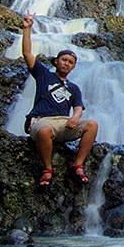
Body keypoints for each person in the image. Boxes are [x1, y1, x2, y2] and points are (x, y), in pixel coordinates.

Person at [21, 13, 99, 188]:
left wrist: (76, 117)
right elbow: (27, 53)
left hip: (64, 123)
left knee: (92, 125)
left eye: (71, 62)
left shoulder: (74, 88)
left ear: (73, 67)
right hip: (42, 121)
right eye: (64, 60)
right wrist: (27, 29)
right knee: (44, 131)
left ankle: (77, 164)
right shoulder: (44, 76)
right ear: (56, 62)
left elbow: (78, 107)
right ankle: (48, 169)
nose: (66, 64)